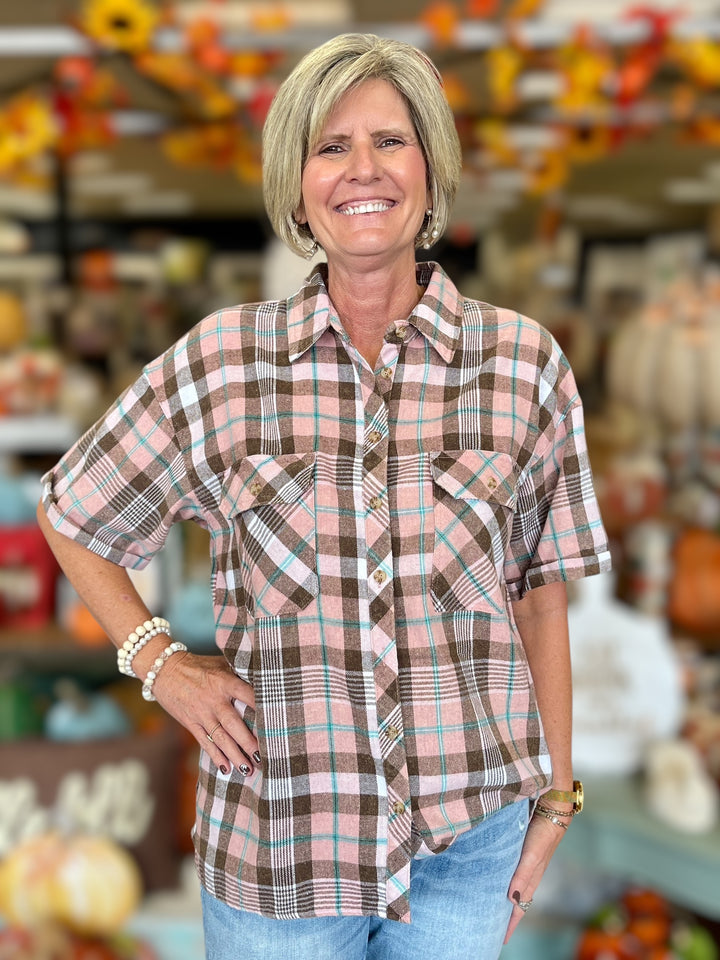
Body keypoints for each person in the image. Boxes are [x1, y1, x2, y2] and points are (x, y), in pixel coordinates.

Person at [38, 33, 611, 960]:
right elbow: (72, 513)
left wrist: (557, 793)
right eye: (330, 148)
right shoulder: (224, 363)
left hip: (468, 842)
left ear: (431, 164)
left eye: (390, 140)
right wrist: (159, 664)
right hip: (281, 848)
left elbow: (540, 591)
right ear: (297, 187)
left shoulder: (524, 365)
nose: (363, 171)